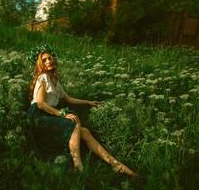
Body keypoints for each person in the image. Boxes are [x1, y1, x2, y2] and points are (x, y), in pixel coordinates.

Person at [27, 45, 136, 177]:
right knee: (73, 122)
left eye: (50, 58)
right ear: (40, 64)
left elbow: (68, 99)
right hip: (39, 117)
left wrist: (88, 102)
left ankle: (115, 164)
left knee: (84, 131)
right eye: (44, 60)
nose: (48, 61)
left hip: (49, 114)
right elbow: (40, 104)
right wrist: (61, 114)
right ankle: (78, 167)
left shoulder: (55, 80)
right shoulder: (43, 77)